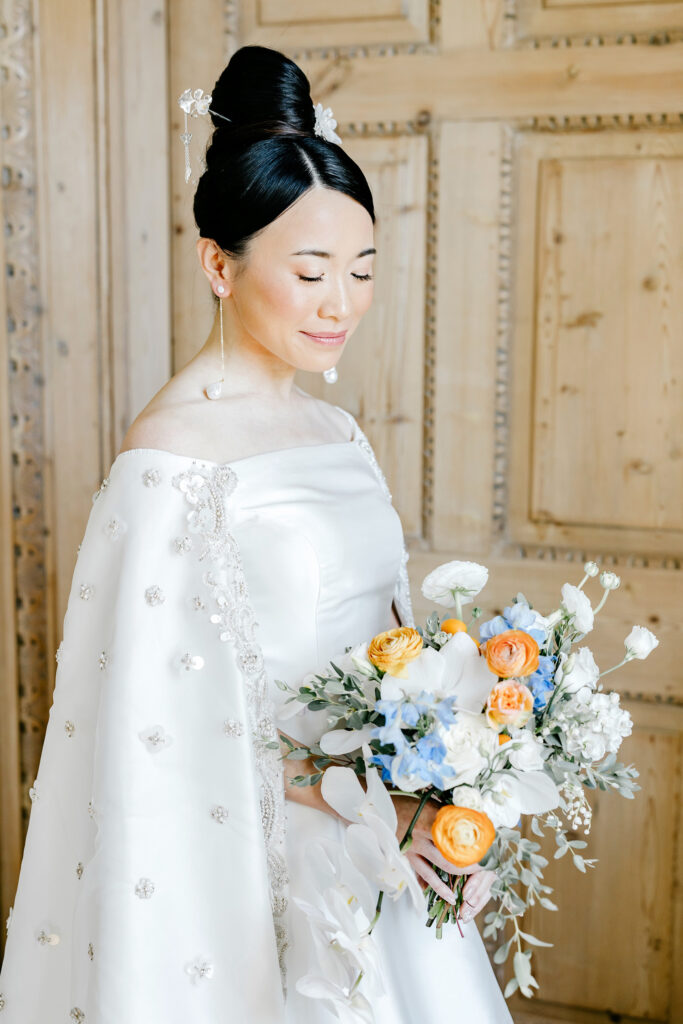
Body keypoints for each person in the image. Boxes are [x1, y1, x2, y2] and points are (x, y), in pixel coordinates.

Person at [0, 44, 513, 1023]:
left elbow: (389, 648)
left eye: (361, 270)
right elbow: (161, 742)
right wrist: (367, 802)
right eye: (311, 270)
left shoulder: (338, 432)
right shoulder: (171, 459)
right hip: (266, 876)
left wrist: (446, 782)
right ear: (217, 264)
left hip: (382, 852)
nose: (341, 304)